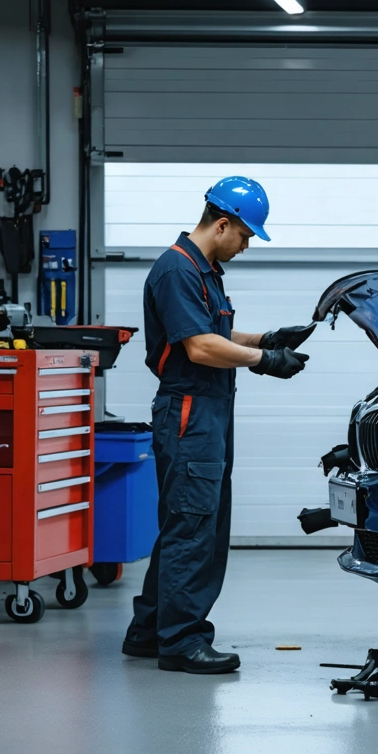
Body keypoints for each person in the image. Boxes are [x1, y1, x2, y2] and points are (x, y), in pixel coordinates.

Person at [122, 176, 313, 674]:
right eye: (246, 237)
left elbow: (214, 332)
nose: (246, 247)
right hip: (190, 412)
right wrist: (264, 359)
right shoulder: (177, 270)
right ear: (222, 223)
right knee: (194, 526)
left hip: (205, 411)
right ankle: (182, 641)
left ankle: (149, 630)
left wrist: (268, 336)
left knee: (185, 523)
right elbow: (200, 348)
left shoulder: (203, 270)